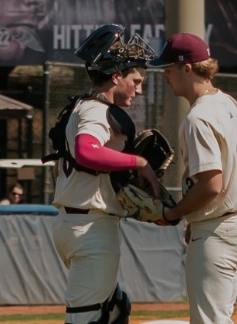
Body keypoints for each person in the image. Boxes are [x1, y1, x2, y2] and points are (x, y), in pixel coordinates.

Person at [51, 24, 161, 324]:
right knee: (87, 319)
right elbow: (86, 151)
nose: (139, 90)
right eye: (135, 81)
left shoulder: (79, 106)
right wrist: (138, 163)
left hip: (75, 222)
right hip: (91, 229)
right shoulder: (97, 110)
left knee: (114, 309)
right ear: (116, 76)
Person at [149, 32, 237, 324]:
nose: (165, 76)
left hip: (218, 230)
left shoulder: (198, 118)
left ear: (187, 68)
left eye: (168, 69)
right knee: (219, 318)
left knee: (208, 321)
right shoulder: (227, 102)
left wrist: (174, 213)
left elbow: (211, 185)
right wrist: (192, 217)